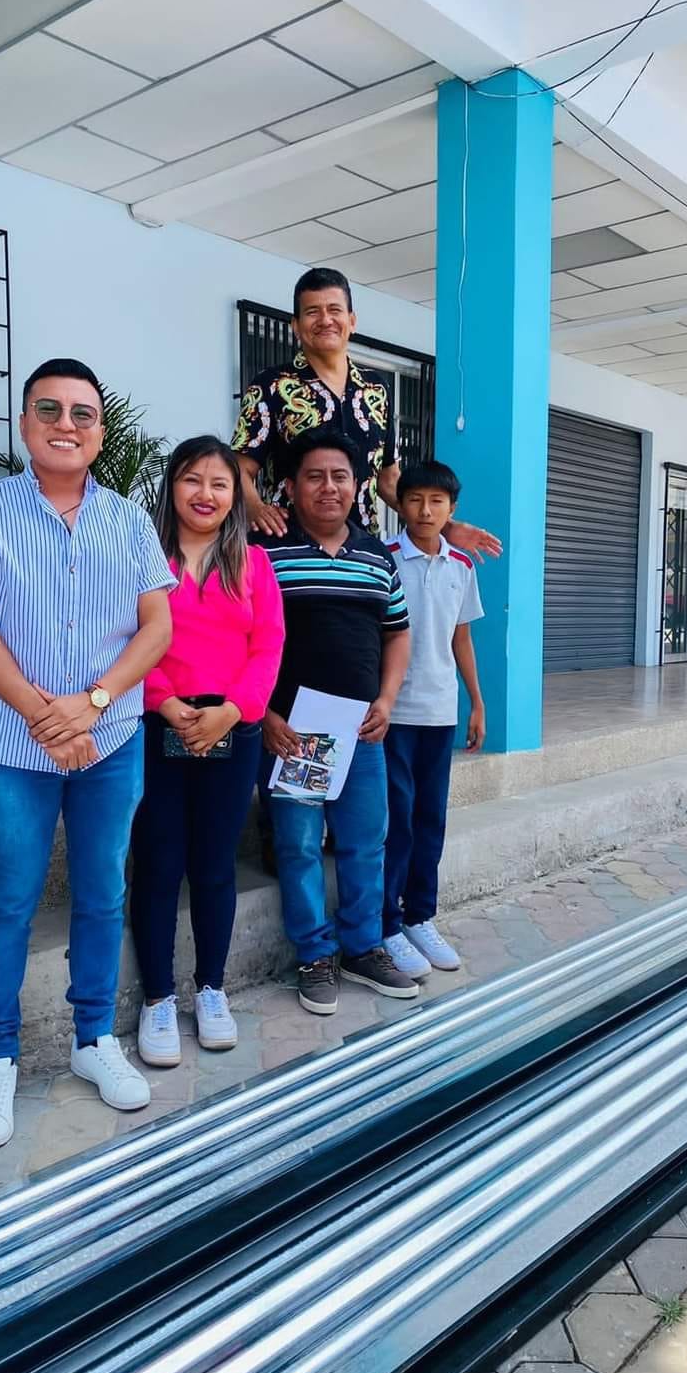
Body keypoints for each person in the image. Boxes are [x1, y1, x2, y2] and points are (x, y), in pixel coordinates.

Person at [0, 357, 175, 1150]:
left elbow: (157, 627)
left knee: (103, 892)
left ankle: (93, 1039)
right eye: (50, 410)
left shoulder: (131, 522)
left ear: (100, 433)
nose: (65, 425)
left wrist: (92, 706)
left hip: (111, 741)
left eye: (82, 413)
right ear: (24, 424)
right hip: (16, 745)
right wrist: (48, 717)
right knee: (9, 896)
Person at [129, 437, 284, 1067]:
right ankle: (158, 998)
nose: (206, 494)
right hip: (158, 727)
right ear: (172, 486)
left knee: (216, 865)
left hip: (232, 730)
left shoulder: (253, 564)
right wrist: (166, 702)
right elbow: (126, 639)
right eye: (193, 480)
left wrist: (232, 712)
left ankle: (211, 989)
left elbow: (268, 646)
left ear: (234, 496)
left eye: (220, 484)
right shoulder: (143, 559)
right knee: (159, 863)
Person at [258, 425, 419, 1016]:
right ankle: (314, 955)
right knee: (300, 846)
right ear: (291, 486)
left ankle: (363, 947)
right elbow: (245, 639)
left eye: (340, 477)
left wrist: (387, 699)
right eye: (315, 477)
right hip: (292, 733)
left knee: (364, 842)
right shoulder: (264, 551)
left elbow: (397, 633)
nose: (329, 487)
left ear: (358, 486)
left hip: (360, 732)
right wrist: (265, 713)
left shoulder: (377, 558)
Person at [232, 266, 502, 560]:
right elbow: (239, 468)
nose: (325, 320)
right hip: (289, 548)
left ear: (352, 321)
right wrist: (256, 509)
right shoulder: (271, 385)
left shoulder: (376, 389)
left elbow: (389, 479)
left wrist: (443, 526)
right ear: (295, 325)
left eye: (334, 310)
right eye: (312, 312)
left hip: (361, 552)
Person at [381, 461, 486, 980]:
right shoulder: (383, 559)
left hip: (440, 712)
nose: (425, 511)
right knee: (395, 821)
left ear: (452, 509)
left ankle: (420, 916)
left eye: (437, 501)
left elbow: (461, 637)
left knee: (430, 819)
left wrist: (477, 702)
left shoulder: (461, 566)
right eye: (415, 499)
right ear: (400, 504)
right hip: (392, 715)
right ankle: (387, 925)